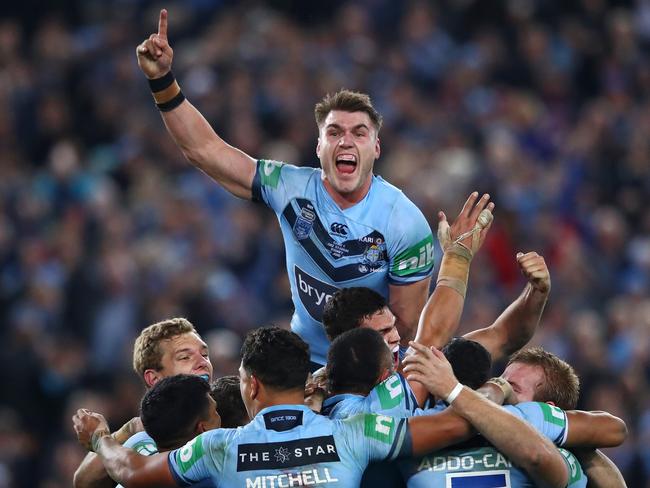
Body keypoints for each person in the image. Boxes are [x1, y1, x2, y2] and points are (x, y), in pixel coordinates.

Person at [135, 9, 495, 368]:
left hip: (368, 370)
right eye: (334, 133)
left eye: (359, 133)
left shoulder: (403, 222)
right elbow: (205, 151)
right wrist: (163, 82)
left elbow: (406, 327)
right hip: (304, 365)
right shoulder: (290, 186)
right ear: (319, 148)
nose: (346, 142)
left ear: (376, 148)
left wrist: (358, 379)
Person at [73, 326, 570, 488]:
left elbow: (131, 472)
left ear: (251, 387)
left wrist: (99, 435)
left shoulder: (218, 446)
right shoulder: (356, 431)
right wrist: (482, 391)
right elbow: (457, 425)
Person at [321, 250, 551, 408]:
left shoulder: (430, 361)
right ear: (348, 349)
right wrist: (457, 255)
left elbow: (505, 336)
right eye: (381, 334)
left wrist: (536, 292)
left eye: (392, 326)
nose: (394, 337)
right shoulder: (323, 398)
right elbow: (433, 334)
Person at [73, 317, 213, 488]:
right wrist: (127, 431)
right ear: (154, 378)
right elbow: (83, 482)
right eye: (184, 357)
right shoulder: (139, 437)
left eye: (205, 354)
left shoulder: (229, 412)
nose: (203, 363)